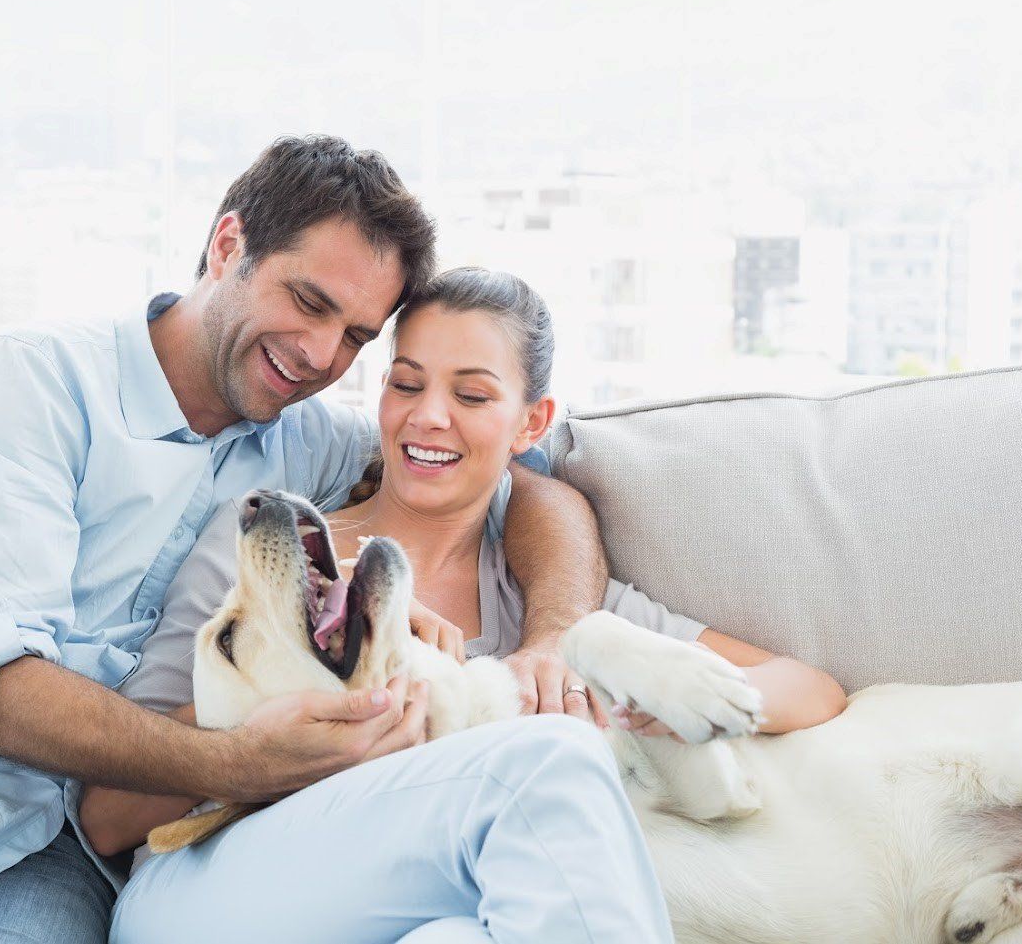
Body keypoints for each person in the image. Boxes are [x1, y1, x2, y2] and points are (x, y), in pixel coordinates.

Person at [0, 140, 608, 944]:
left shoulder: (306, 439)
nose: (323, 357)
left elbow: (517, 480)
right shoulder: (28, 383)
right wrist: (240, 759)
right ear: (226, 244)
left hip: (56, 844)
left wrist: (553, 634)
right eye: (308, 302)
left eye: (356, 334)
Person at [87, 267, 849, 943]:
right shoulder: (271, 550)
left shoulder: (554, 607)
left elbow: (811, 689)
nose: (427, 417)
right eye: (406, 382)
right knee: (548, 759)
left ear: (531, 423)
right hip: (211, 890)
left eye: (472, 394)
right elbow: (109, 813)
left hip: (423, 901)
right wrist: (266, 736)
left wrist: (662, 702)